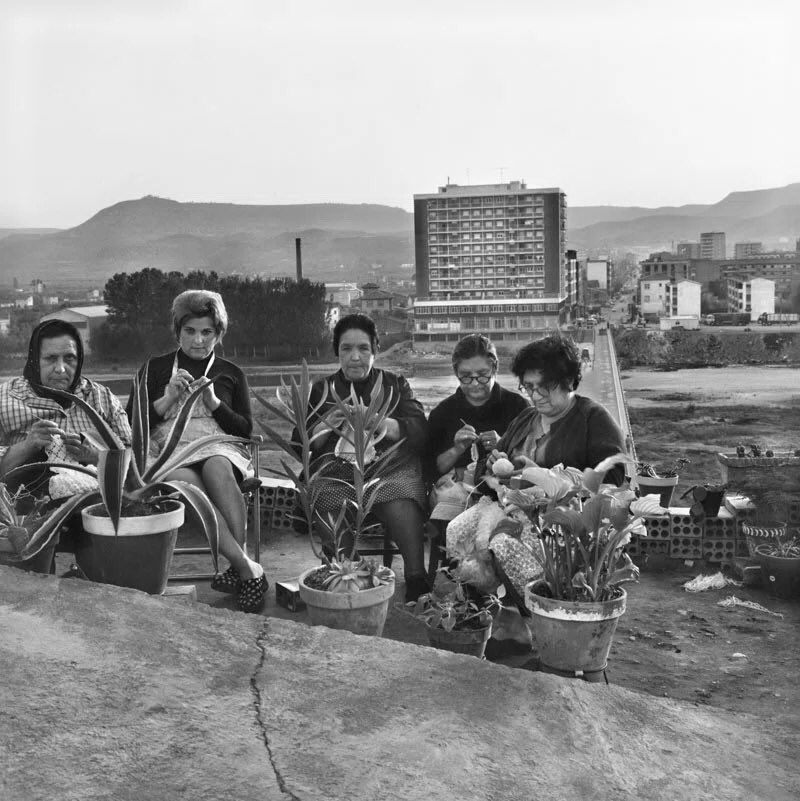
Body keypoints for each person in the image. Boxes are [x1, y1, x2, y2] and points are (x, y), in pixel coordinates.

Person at [130, 290, 267, 613]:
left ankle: (237, 567)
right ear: (177, 331)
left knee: (217, 467)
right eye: (190, 331)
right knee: (185, 483)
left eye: (207, 332)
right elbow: (131, 425)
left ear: (219, 334)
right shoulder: (155, 368)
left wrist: (213, 402)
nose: (198, 340)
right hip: (170, 450)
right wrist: (167, 398)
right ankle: (247, 568)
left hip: (219, 446)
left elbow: (244, 430)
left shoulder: (231, 372)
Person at [296, 313, 430, 602]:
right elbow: (301, 443)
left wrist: (377, 421)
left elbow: (419, 430)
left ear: (375, 350)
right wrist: (329, 420)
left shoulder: (395, 384)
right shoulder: (322, 390)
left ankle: (416, 576)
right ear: (337, 351)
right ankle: (349, 577)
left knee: (400, 495)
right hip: (335, 471)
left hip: (389, 467)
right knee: (323, 496)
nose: (355, 357)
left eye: (363, 348)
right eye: (346, 349)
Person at [0, 319, 132, 497]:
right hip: (29, 507)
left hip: (98, 504)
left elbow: (134, 462)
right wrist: (28, 446)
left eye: (69, 358)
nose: (61, 369)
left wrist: (95, 455)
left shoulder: (103, 399)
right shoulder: (5, 399)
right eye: (50, 359)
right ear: (34, 360)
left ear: (80, 359)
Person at [488, 334, 627, 486]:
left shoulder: (596, 421)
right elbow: (486, 473)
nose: (535, 395)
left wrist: (544, 479)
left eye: (545, 386)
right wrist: (492, 464)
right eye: (529, 386)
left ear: (569, 381)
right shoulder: (525, 418)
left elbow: (611, 483)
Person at [426, 333, 528, 485]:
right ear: (456, 373)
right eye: (466, 376)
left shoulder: (519, 407)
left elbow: (535, 463)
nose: (475, 383)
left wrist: (503, 445)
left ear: (494, 369)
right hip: (456, 490)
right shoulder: (441, 413)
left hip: (507, 488)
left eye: (482, 375)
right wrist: (456, 449)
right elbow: (430, 472)